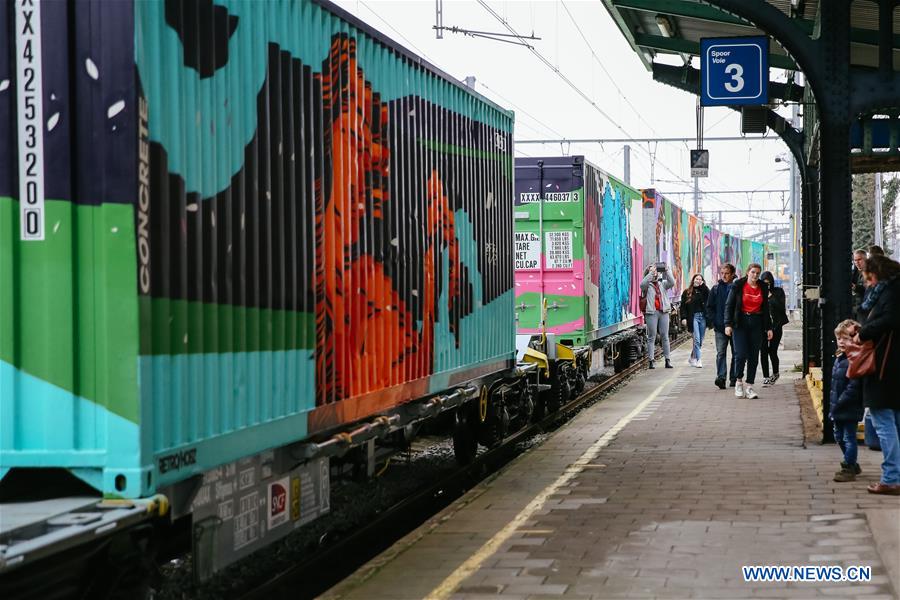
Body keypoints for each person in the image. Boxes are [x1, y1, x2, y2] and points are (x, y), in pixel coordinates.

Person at [854, 255, 900, 495]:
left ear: (878, 273)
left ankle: (892, 478)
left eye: (869, 277)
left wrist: (863, 333)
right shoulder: (891, 289)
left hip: (884, 366)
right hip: (892, 366)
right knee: (895, 423)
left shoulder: (891, 293)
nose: (868, 282)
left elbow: (888, 320)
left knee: (884, 423)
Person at [724, 263, 773, 399]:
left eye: (758, 273)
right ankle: (738, 381)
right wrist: (728, 324)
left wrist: (769, 327)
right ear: (747, 273)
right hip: (740, 323)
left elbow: (766, 308)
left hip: (757, 323)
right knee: (740, 354)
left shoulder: (763, 286)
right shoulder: (738, 285)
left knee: (753, 356)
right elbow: (729, 305)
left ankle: (750, 386)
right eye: (753, 272)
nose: (755, 275)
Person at [830, 319, 864, 482]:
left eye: (845, 338)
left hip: (848, 407)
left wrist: (840, 402)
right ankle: (852, 462)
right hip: (838, 406)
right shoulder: (839, 358)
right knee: (838, 436)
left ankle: (849, 465)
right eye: (839, 338)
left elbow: (853, 386)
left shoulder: (854, 359)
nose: (841, 342)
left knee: (848, 437)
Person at [706, 263, 738, 389]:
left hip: (735, 326)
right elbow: (709, 307)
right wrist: (714, 321)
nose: (724, 276)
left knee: (736, 353)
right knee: (721, 353)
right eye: (722, 273)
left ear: (732, 274)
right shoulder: (715, 289)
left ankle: (734, 378)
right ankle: (721, 377)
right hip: (720, 327)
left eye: (727, 273)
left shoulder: (737, 288)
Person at [641, 263, 676, 369]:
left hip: (663, 311)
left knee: (665, 336)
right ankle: (651, 361)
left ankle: (667, 360)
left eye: (656, 271)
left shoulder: (663, 284)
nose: (655, 272)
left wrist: (667, 270)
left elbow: (672, 282)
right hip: (651, 312)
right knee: (652, 336)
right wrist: (651, 273)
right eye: (652, 271)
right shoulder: (647, 285)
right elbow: (642, 284)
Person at [759, 271, 788, 386]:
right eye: (764, 283)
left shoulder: (778, 292)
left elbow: (782, 308)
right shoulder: (759, 292)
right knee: (763, 351)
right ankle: (766, 376)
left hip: (776, 326)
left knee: (772, 351)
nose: (767, 285)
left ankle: (775, 373)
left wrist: (771, 297)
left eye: (768, 283)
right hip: (763, 327)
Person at [681, 274, 710, 368]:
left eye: (700, 279)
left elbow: (709, 297)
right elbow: (683, 307)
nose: (698, 280)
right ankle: (699, 360)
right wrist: (683, 318)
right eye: (696, 279)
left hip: (703, 318)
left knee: (700, 341)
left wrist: (703, 286)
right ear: (693, 280)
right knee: (696, 340)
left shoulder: (704, 291)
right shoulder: (687, 292)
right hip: (693, 317)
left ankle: (692, 357)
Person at [851, 249, 868, 321]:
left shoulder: (870, 272)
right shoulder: (855, 272)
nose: (857, 262)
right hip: (854, 308)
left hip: (864, 309)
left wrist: (856, 287)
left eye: (859, 259)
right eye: (855, 260)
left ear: (866, 259)